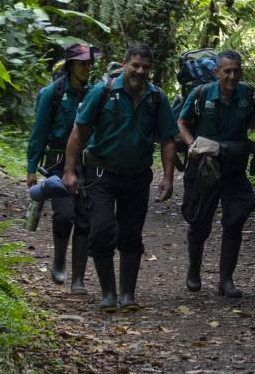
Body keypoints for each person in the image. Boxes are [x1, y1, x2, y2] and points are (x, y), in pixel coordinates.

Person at [62, 43, 178, 311]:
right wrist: (69, 171)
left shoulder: (156, 97)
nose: (140, 71)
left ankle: (128, 295)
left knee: (131, 234)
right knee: (101, 230)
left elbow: (167, 139)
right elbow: (79, 132)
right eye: (135, 65)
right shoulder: (102, 92)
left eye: (145, 67)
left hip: (137, 177)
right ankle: (108, 294)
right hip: (100, 175)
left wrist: (168, 178)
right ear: (124, 63)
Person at [177, 49, 255, 298]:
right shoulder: (201, 93)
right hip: (205, 166)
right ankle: (194, 272)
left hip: (234, 166)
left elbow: (251, 124)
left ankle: (226, 280)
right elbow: (182, 123)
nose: (232, 75)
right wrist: (192, 144)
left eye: (236, 70)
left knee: (235, 219)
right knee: (198, 220)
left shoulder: (247, 93)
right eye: (227, 71)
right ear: (217, 72)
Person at [26, 41, 99, 292]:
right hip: (57, 161)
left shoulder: (94, 92)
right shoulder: (52, 93)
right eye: (82, 63)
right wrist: (31, 167)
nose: (87, 67)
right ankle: (59, 259)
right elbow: (39, 131)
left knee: (84, 217)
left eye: (89, 63)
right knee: (64, 213)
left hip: (86, 163)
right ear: (71, 65)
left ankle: (78, 278)